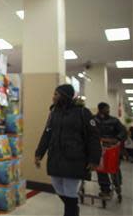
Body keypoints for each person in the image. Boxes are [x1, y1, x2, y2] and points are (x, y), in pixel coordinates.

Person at [35, 84, 101, 216]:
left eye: (56, 94)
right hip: (55, 157)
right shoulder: (54, 112)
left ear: (64, 96)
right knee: (58, 187)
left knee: (70, 192)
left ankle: (71, 211)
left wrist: (94, 159)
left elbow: (93, 137)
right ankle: (73, 208)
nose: (53, 97)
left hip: (74, 159)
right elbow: (47, 133)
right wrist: (39, 153)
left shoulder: (83, 112)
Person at [94, 102, 127, 199]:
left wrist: (116, 138)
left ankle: (117, 186)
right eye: (106, 109)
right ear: (100, 109)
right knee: (101, 169)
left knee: (114, 168)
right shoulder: (93, 120)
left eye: (108, 109)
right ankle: (105, 190)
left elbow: (123, 131)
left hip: (112, 149)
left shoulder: (114, 121)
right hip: (99, 148)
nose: (108, 110)